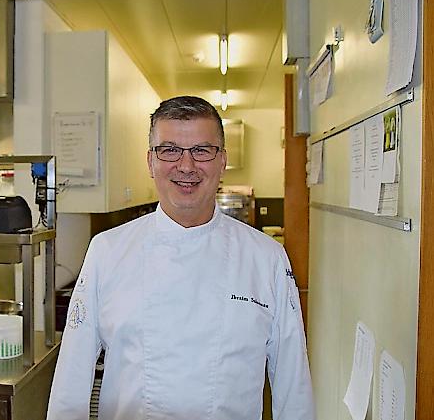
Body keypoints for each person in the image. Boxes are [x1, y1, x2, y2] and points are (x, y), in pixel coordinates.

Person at [46, 96, 315, 420]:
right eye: (169, 150)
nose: (186, 166)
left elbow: (292, 382)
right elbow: (71, 379)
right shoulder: (107, 250)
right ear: (150, 161)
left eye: (202, 150)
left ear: (221, 161)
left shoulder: (266, 257)